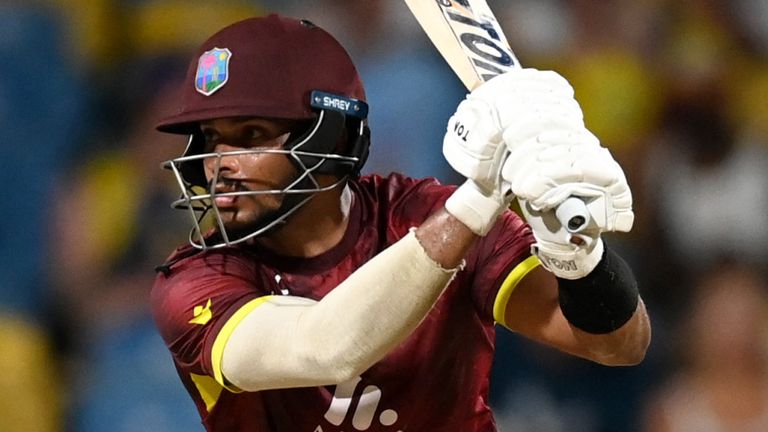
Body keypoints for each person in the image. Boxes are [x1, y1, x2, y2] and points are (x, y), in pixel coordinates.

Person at [150, 14, 651, 431]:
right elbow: (326, 347)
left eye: (251, 134)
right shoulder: (194, 282)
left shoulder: (420, 213)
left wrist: (576, 248)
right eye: (212, 139)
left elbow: (617, 344)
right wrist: (483, 197)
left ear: (330, 138)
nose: (219, 163)